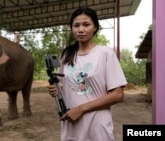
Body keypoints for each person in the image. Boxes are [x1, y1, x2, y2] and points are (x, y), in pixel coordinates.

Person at [47, 7, 127, 141]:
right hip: (71, 123)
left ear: (95, 27)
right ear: (72, 28)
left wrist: (81, 109)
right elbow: (62, 84)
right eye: (76, 25)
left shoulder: (105, 54)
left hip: (97, 127)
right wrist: (56, 89)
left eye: (86, 24)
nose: (81, 30)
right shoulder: (67, 55)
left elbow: (118, 95)